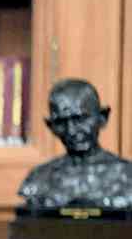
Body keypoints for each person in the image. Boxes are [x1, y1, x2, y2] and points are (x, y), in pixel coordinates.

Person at [19, 79, 132, 209]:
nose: (71, 130)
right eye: (61, 122)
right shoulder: (38, 179)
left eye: (80, 119)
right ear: (51, 126)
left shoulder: (128, 175)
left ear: (102, 118)